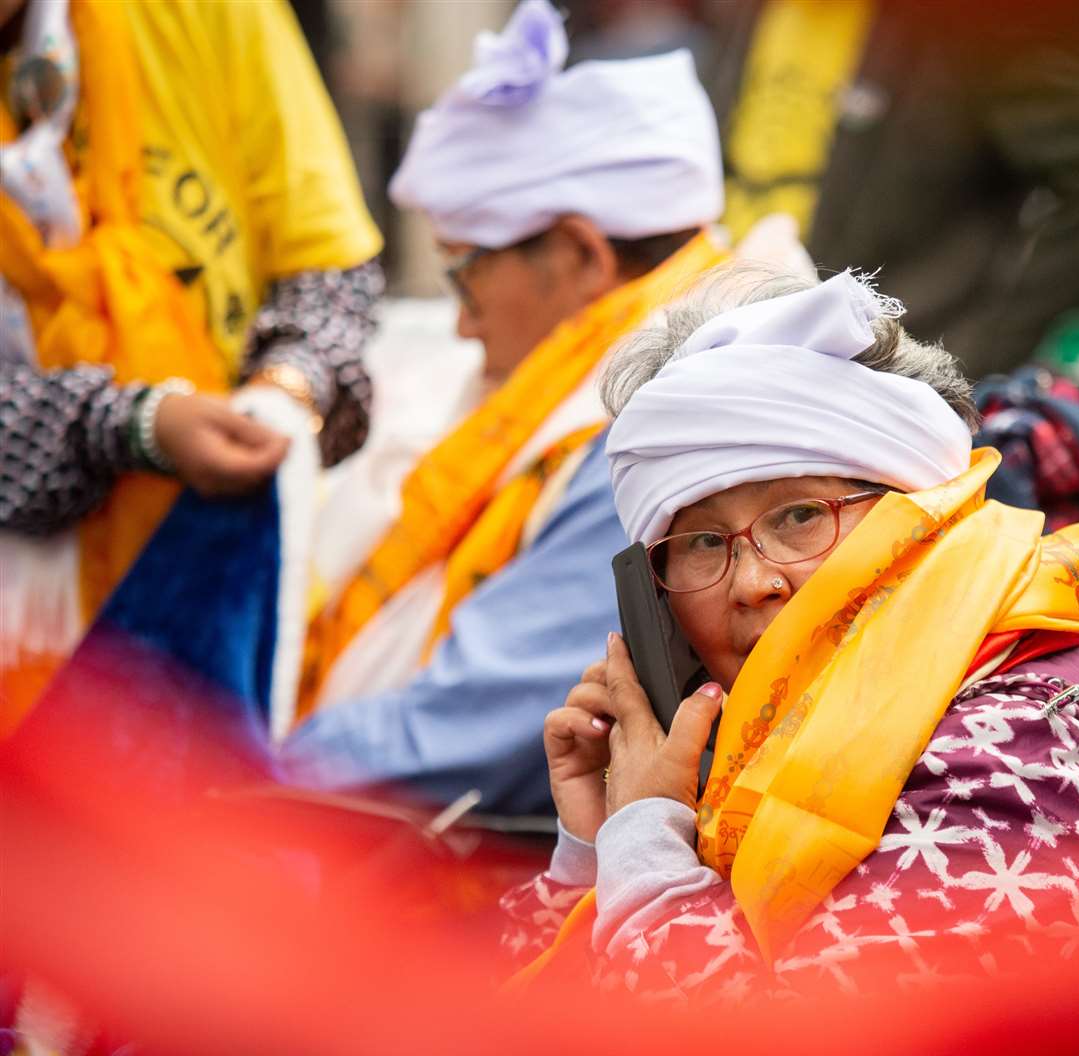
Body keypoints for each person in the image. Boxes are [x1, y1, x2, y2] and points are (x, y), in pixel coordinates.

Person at [500, 266, 1079, 994]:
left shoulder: (1021, 759)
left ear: (922, 520)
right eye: (701, 543)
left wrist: (646, 848)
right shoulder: (756, 758)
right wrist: (597, 849)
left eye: (800, 516)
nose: (753, 581)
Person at [280, 0, 728, 816]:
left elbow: (452, 734)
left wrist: (225, 780)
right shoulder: (651, 353)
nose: (460, 322)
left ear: (584, 256)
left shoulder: (658, 419)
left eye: (465, 273)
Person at [0, 0, 382, 724]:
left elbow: (329, 271)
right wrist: (130, 426)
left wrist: (284, 390)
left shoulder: (201, 13)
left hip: (221, 606)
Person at [704, 0, 1079, 378]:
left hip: (876, 388)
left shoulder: (973, 24)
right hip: (732, 362)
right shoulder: (753, 12)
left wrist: (975, 353)